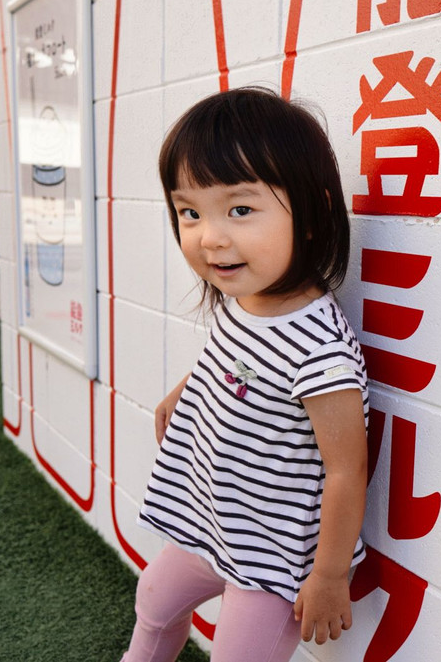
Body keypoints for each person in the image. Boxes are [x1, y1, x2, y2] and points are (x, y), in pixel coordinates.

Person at [122, 87, 368, 662]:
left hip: (274, 557)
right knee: (154, 599)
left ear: (313, 214)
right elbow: (235, 356)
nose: (210, 236)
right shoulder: (247, 298)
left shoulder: (321, 351)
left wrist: (329, 575)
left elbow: (346, 469)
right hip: (213, 518)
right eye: (190, 212)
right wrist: (185, 390)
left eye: (239, 209)